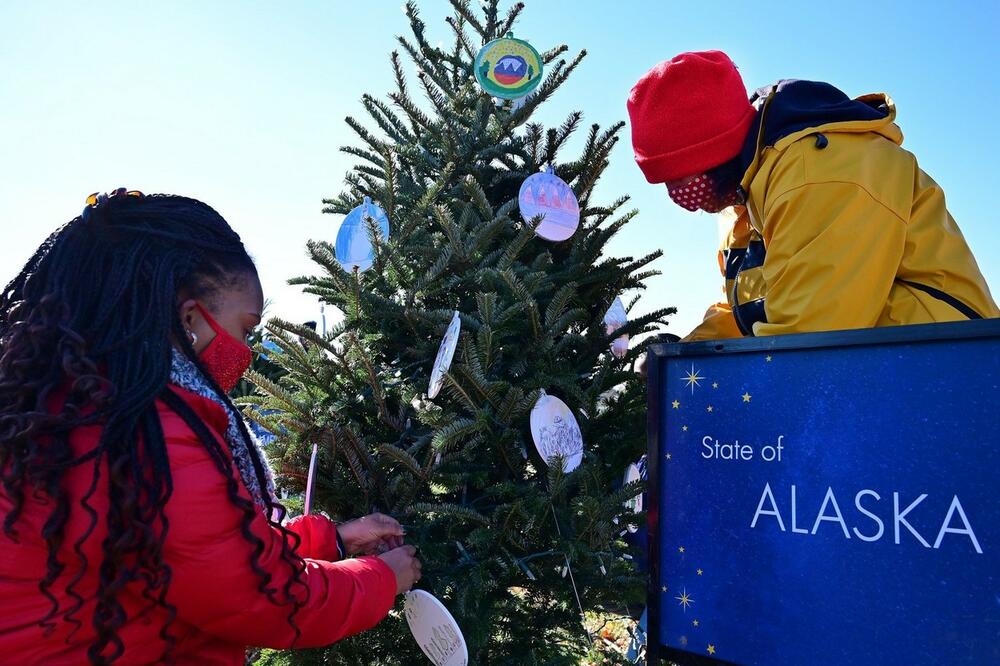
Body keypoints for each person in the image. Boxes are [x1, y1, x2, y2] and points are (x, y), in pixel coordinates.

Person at [0, 190, 422, 664]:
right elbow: (265, 598)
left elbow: (199, 552)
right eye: (245, 329)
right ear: (189, 318)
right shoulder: (153, 431)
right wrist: (383, 576)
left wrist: (333, 540)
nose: (245, 350)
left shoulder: (64, 407)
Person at [627, 50, 998, 341]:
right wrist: (685, 352)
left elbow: (810, 331)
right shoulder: (745, 197)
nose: (682, 197)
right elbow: (753, 306)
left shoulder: (822, 175)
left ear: (712, 152)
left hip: (941, 371)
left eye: (682, 178)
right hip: (879, 376)